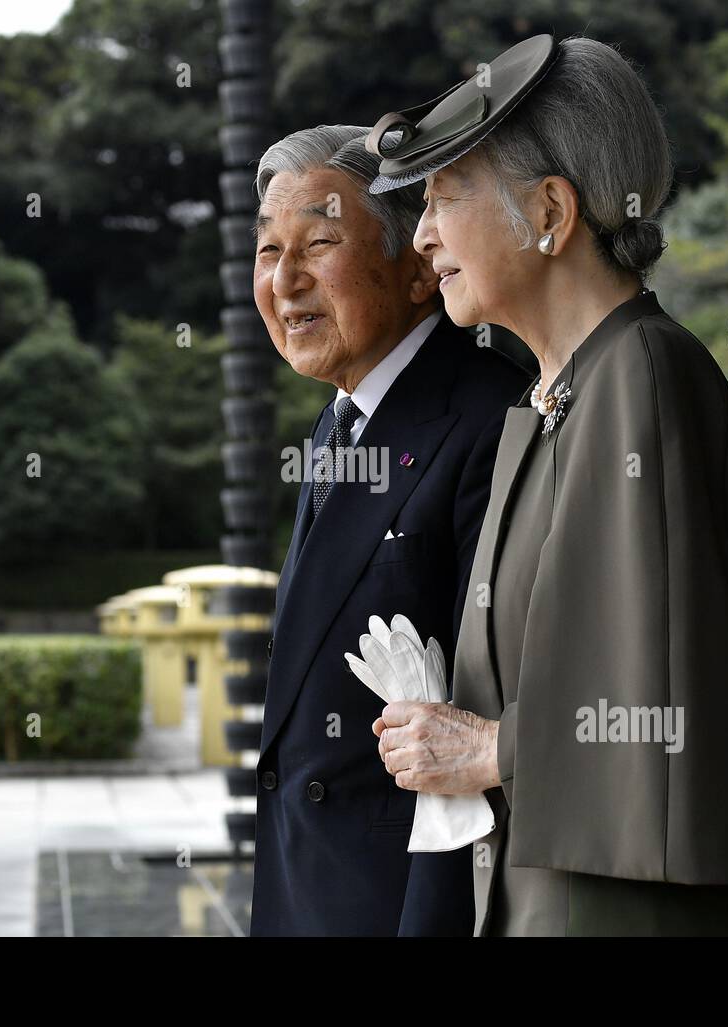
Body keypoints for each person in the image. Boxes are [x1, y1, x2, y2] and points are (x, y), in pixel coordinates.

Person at [366, 34, 728, 935]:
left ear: (551, 211)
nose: (424, 234)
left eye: (444, 197)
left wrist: (490, 749)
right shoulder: (562, 392)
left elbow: (678, 706)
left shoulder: (642, 377)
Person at [248, 124, 527, 936]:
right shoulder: (340, 421)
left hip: (399, 900)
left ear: (416, 268)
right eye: (269, 252)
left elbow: (480, 715)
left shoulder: (489, 417)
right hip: (314, 886)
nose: (286, 280)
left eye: (319, 244)